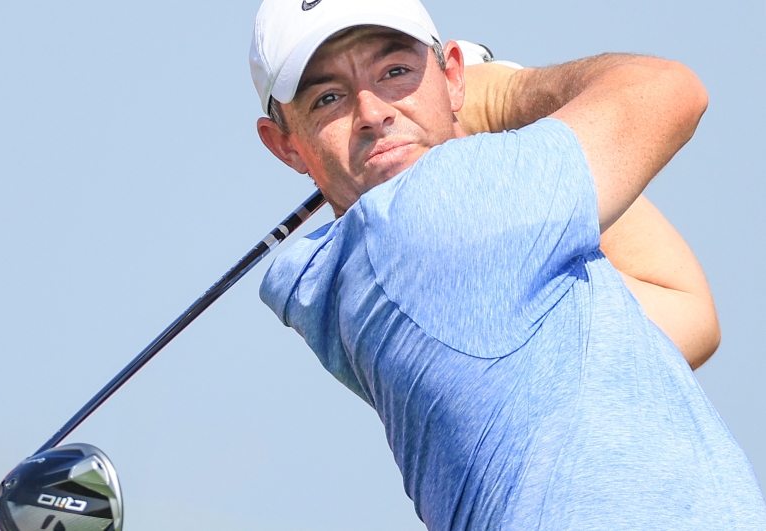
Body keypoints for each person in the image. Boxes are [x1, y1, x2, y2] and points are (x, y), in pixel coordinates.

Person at [249, 0, 766, 529]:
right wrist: (500, 94)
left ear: (449, 75)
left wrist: (477, 126)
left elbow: (684, 313)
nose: (374, 112)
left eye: (396, 71)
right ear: (285, 144)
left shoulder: (388, 274)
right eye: (328, 98)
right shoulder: (428, 222)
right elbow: (669, 91)